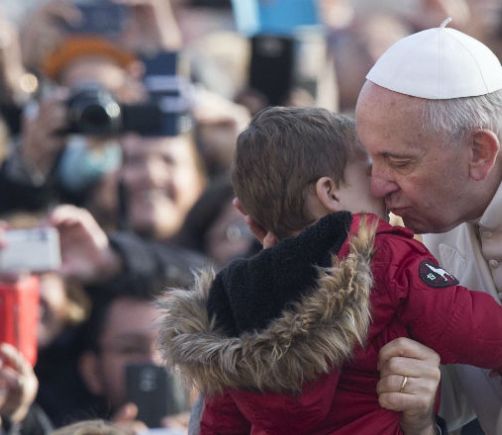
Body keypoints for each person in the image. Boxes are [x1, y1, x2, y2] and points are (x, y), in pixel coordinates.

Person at [158, 106, 502, 434]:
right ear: (330, 192)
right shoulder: (379, 252)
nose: (382, 185)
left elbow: (220, 420)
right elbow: (470, 327)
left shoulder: (233, 292)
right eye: (370, 172)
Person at [354, 20, 502, 434]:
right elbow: (454, 402)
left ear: (479, 152)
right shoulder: (431, 228)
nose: (377, 186)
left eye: (399, 162)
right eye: (371, 161)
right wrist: (419, 418)